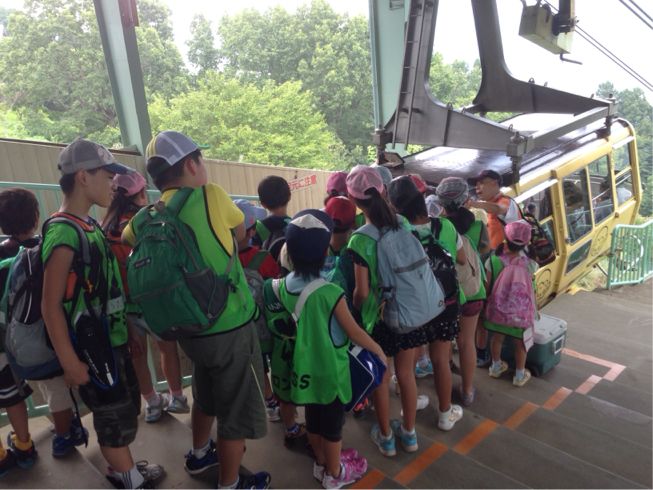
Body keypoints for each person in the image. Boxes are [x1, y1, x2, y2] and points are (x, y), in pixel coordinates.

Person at [122, 131, 269, 489]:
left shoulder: (145, 217)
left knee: (204, 393)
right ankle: (231, 483)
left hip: (187, 327)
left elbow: (127, 239)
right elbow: (240, 233)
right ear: (191, 164)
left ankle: (201, 451)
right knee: (235, 411)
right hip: (228, 324)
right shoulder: (211, 195)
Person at [41, 138, 163, 488]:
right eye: (108, 176)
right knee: (111, 416)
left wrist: (127, 334)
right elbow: (50, 305)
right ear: (83, 177)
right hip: (92, 350)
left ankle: (121, 467)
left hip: (112, 342)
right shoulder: (63, 233)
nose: (114, 183)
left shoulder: (89, 226)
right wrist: (70, 362)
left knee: (124, 410)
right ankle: (129, 479)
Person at [264, 209, 386, 488]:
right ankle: (335, 473)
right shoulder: (330, 292)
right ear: (323, 252)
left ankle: (321, 462)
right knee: (332, 428)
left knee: (314, 420)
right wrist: (378, 350)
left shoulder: (277, 286)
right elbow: (354, 332)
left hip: (301, 373)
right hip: (329, 373)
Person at [102, 170, 188, 424]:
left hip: (125, 305)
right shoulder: (147, 221)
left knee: (137, 354)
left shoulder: (105, 230)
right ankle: (177, 397)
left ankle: (151, 403)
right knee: (167, 349)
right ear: (140, 194)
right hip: (155, 299)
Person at [386, 176, 464, 432]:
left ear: (394, 206)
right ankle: (445, 414)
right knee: (441, 359)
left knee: (406, 365)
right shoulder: (445, 226)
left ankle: (409, 408)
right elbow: (462, 258)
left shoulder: (397, 235)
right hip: (445, 302)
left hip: (413, 306)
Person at [435, 177, 490, 406]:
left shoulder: (436, 226)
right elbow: (485, 250)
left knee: (445, 340)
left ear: (440, 202)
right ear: (466, 200)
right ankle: (467, 390)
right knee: (467, 341)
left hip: (446, 294)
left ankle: (447, 372)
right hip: (473, 291)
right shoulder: (478, 227)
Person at [0, 188, 39, 476]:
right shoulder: (42, 249)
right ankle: (24, 445)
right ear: (36, 218)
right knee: (13, 396)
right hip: (19, 338)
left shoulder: (2, 253)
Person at [233, 199, 281, 424]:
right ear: (252, 231)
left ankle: (270, 403)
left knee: (258, 365)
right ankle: (284, 399)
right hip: (270, 325)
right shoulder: (263, 258)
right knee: (277, 361)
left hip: (244, 327)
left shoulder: (226, 261)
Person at [468, 170, 520, 367]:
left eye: (482, 183)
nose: (478, 187)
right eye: (476, 184)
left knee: (491, 307)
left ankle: (495, 355)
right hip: (491, 263)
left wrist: (474, 204)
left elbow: (499, 209)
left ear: (496, 183)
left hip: (504, 267)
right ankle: (483, 352)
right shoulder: (486, 208)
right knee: (483, 307)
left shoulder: (506, 202)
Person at [484, 220, 538, 387]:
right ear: (527, 242)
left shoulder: (494, 259)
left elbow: (487, 285)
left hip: (497, 311)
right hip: (520, 314)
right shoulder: (530, 264)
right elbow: (531, 288)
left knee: (497, 338)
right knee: (520, 343)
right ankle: (519, 375)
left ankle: (496, 367)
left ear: (506, 238)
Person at [253, 176, 292, 264]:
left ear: (262, 204)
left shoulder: (257, 228)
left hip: (266, 271)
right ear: (289, 197)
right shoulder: (295, 225)